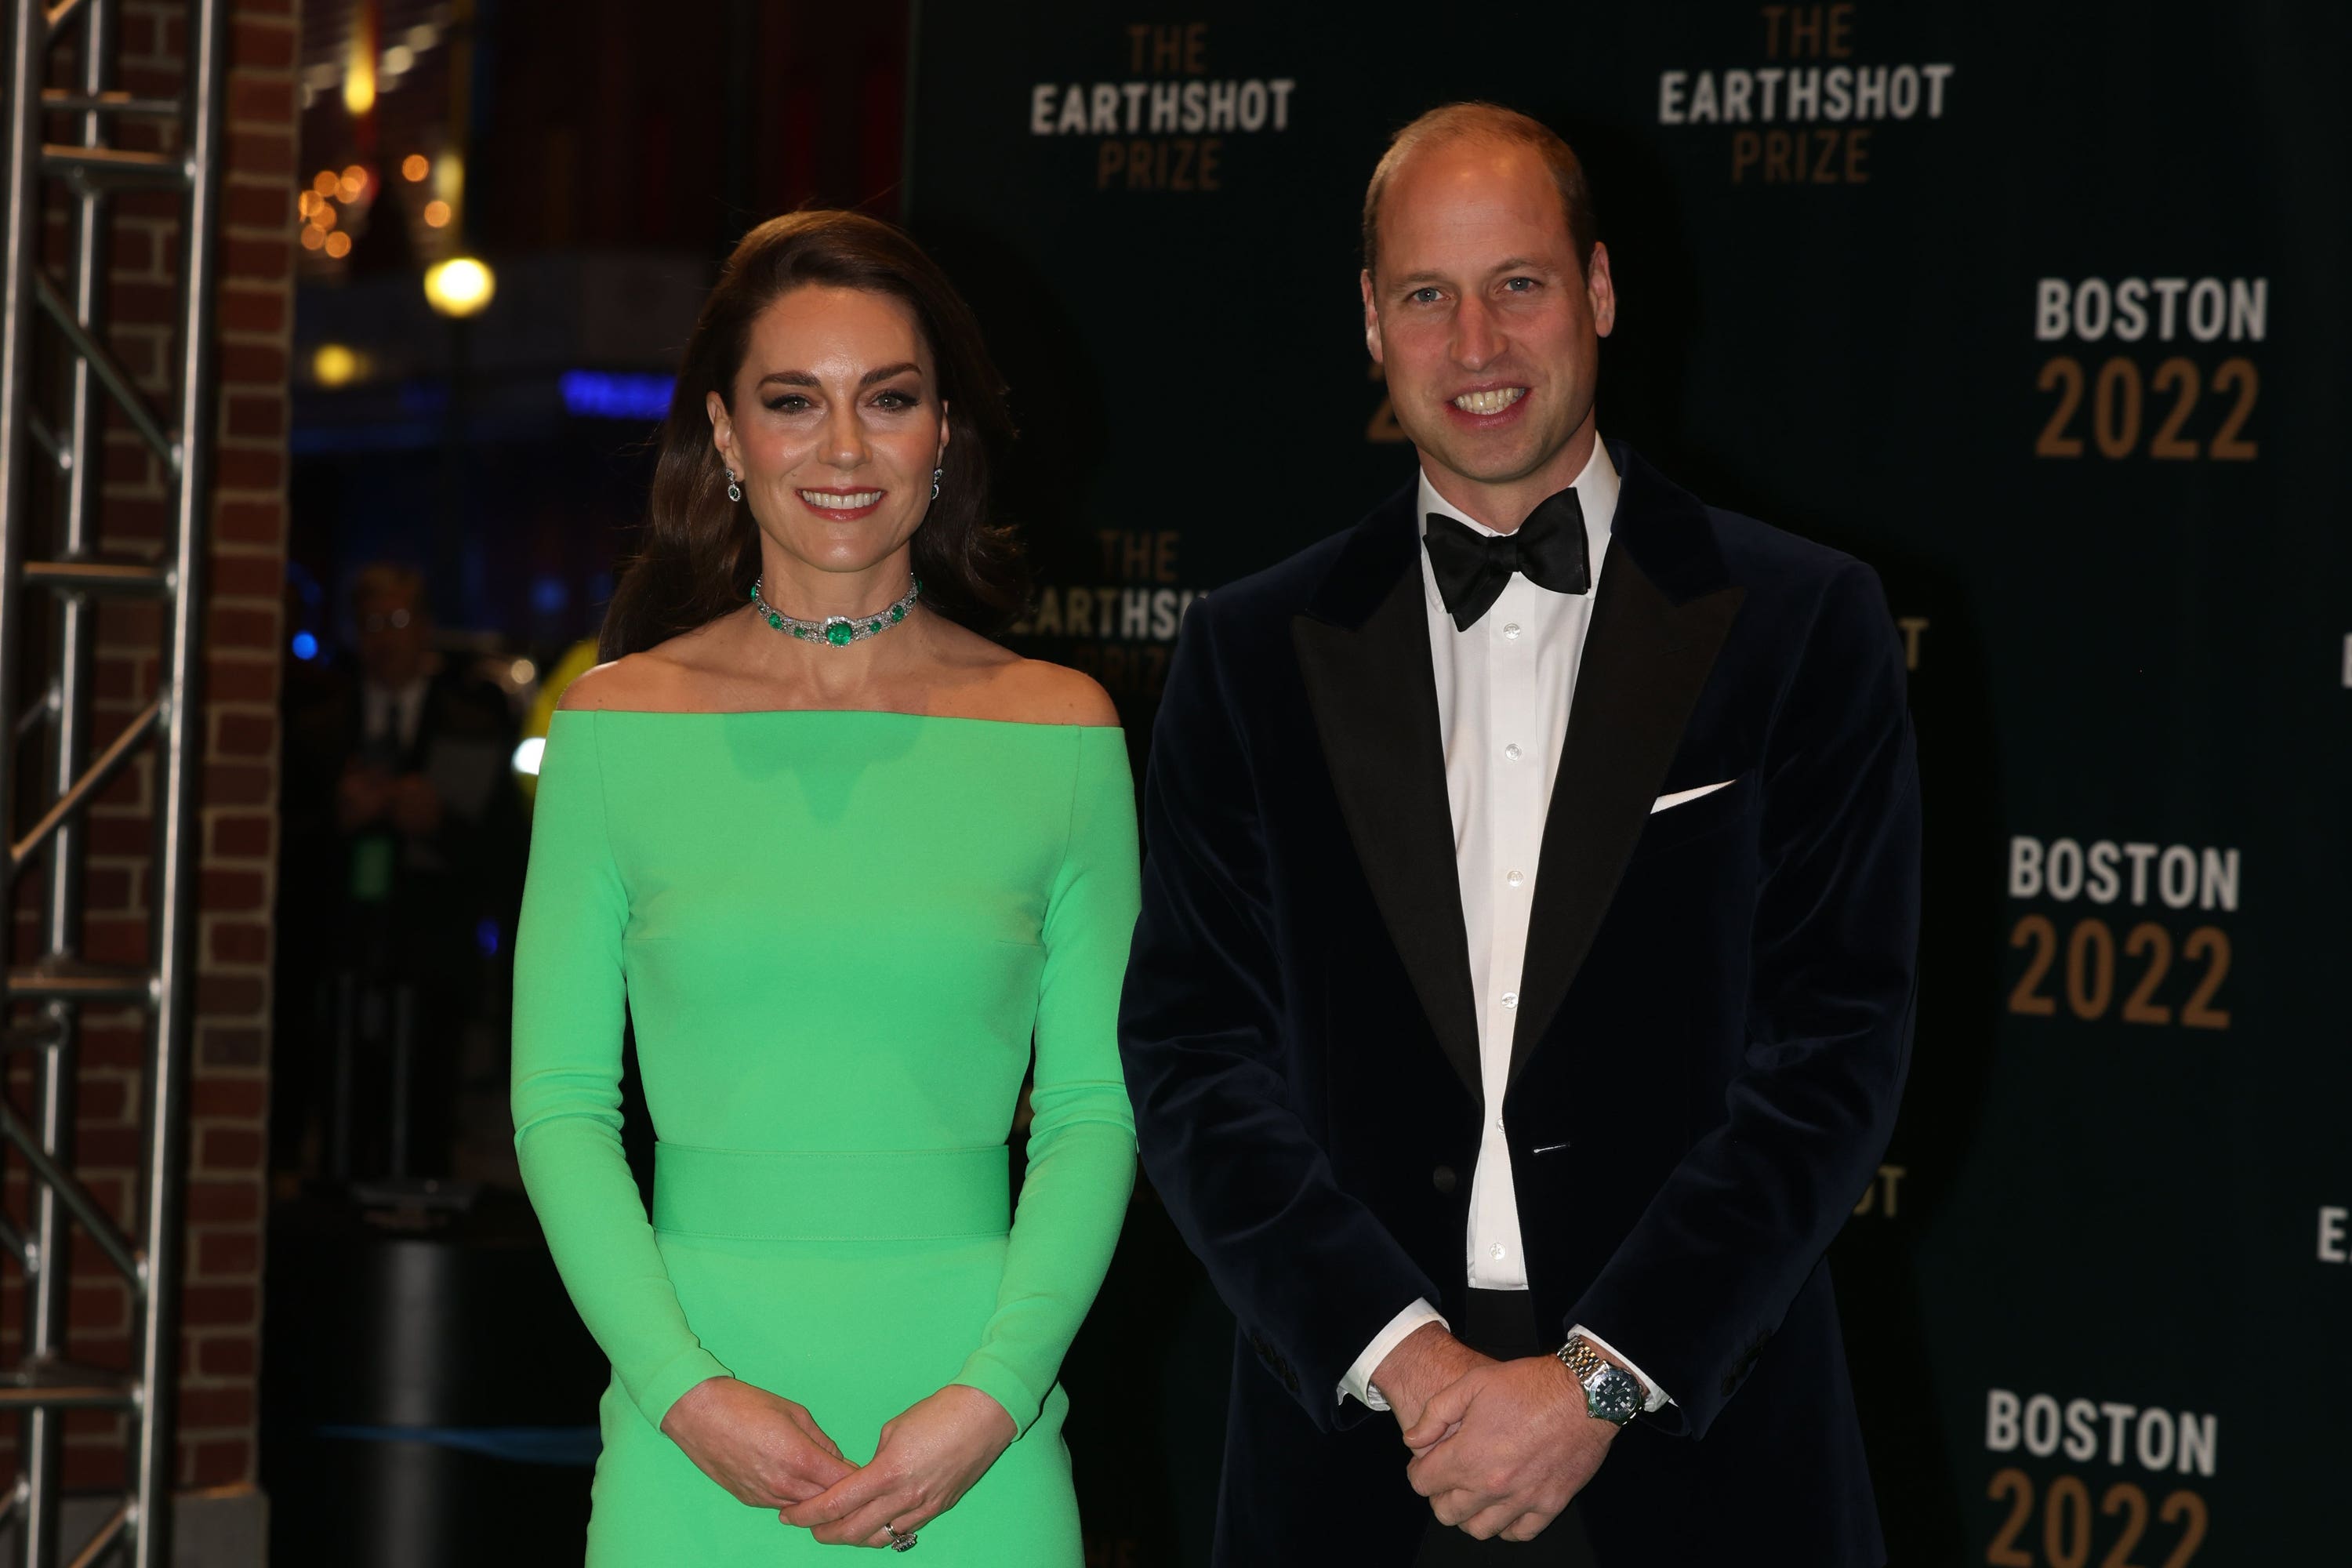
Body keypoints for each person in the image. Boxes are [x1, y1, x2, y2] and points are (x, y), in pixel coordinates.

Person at [1118, 103, 1920, 1566]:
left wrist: (1596, 1384)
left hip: (1706, 1450)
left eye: (1520, 284)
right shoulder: (1247, 653)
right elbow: (1192, 1058)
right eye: (1427, 294)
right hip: (1361, 1465)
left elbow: (1833, 1055)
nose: (1475, 343)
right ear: (1371, 322)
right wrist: (1414, 1367)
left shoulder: (1805, 625)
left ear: (1601, 291)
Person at [511, 209, 1138, 1562]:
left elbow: (1096, 1108)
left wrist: (994, 1398)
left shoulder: (1065, 732)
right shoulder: (614, 730)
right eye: (794, 403)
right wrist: (686, 1395)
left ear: (944, 432)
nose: (844, 450)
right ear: (727, 437)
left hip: (981, 1435)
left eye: (889, 401)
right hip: (693, 1437)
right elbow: (559, 1104)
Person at [278, 561, 521, 1179]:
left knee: (425, 1133)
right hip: (335, 966)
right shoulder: (315, 728)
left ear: (427, 628)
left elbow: (507, 856)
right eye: (372, 623)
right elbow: (275, 848)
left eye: (400, 620)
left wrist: (437, 821)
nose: (387, 637)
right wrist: (338, 816)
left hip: (432, 967)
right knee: (335, 1127)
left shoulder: (475, 725)